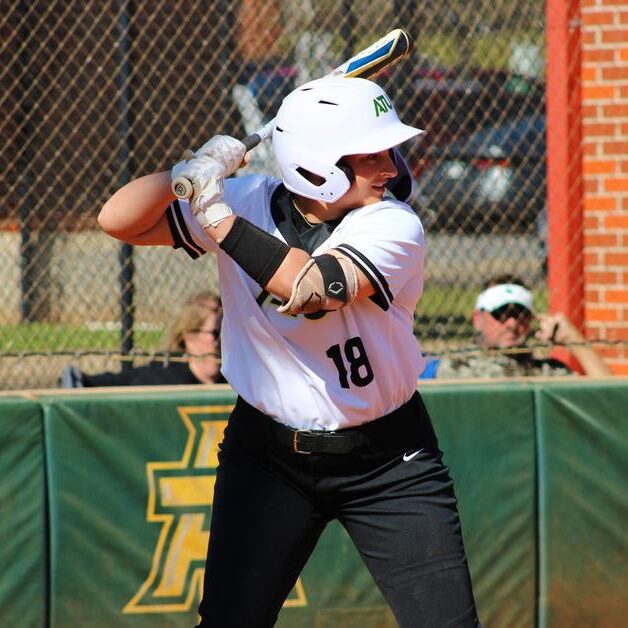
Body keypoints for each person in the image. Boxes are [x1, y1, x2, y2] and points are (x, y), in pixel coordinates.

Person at [98, 76, 481, 627]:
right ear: (318, 166)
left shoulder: (393, 223)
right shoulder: (245, 199)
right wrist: (184, 173)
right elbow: (117, 219)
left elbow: (313, 290)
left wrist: (217, 220)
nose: (390, 167)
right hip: (268, 456)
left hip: (389, 462)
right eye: (370, 155)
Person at [434, 274, 611, 379]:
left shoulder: (547, 370)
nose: (512, 323)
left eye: (520, 314)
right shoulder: (458, 366)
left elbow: (611, 399)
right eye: (501, 313)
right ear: (477, 318)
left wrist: (574, 341)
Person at [60, 291, 225, 387]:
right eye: (216, 333)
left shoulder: (235, 379)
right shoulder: (167, 376)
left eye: (228, 333)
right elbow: (125, 382)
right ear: (188, 334)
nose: (224, 341)